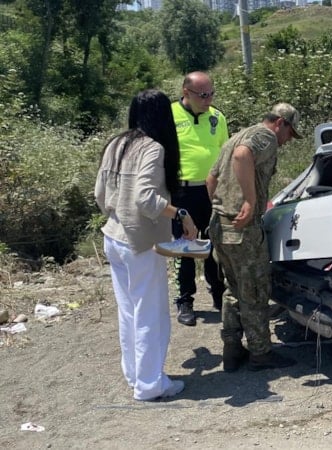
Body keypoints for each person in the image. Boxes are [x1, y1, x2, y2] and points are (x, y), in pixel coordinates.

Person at [94, 89, 198, 401]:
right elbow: (145, 198)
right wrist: (181, 214)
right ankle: (151, 384)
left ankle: (136, 375)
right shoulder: (152, 148)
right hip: (140, 242)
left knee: (129, 312)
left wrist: (117, 212)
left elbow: (100, 193)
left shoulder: (117, 143)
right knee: (151, 314)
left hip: (113, 236)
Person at [206, 103, 301, 372]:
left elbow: (211, 179)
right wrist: (248, 201)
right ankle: (261, 354)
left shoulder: (236, 135)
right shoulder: (265, 136)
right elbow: (242, 156)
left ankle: (232, 349)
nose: (287, 141)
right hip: (244, 230)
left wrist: (222, 209)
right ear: (280, 123)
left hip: (220, 226)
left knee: (234, 289)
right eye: (290, 133)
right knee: (256, 291)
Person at [170, 71, 229, 326]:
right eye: (203, 95)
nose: (208, 99)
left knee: (214, 243)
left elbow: (225, 152)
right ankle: (185, 300)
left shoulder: (217, 117)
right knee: (185, 246)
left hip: (211, 190)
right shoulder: (169, 115)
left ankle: (218, 293)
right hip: (182, 191)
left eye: (211, 94)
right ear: (186, 92)